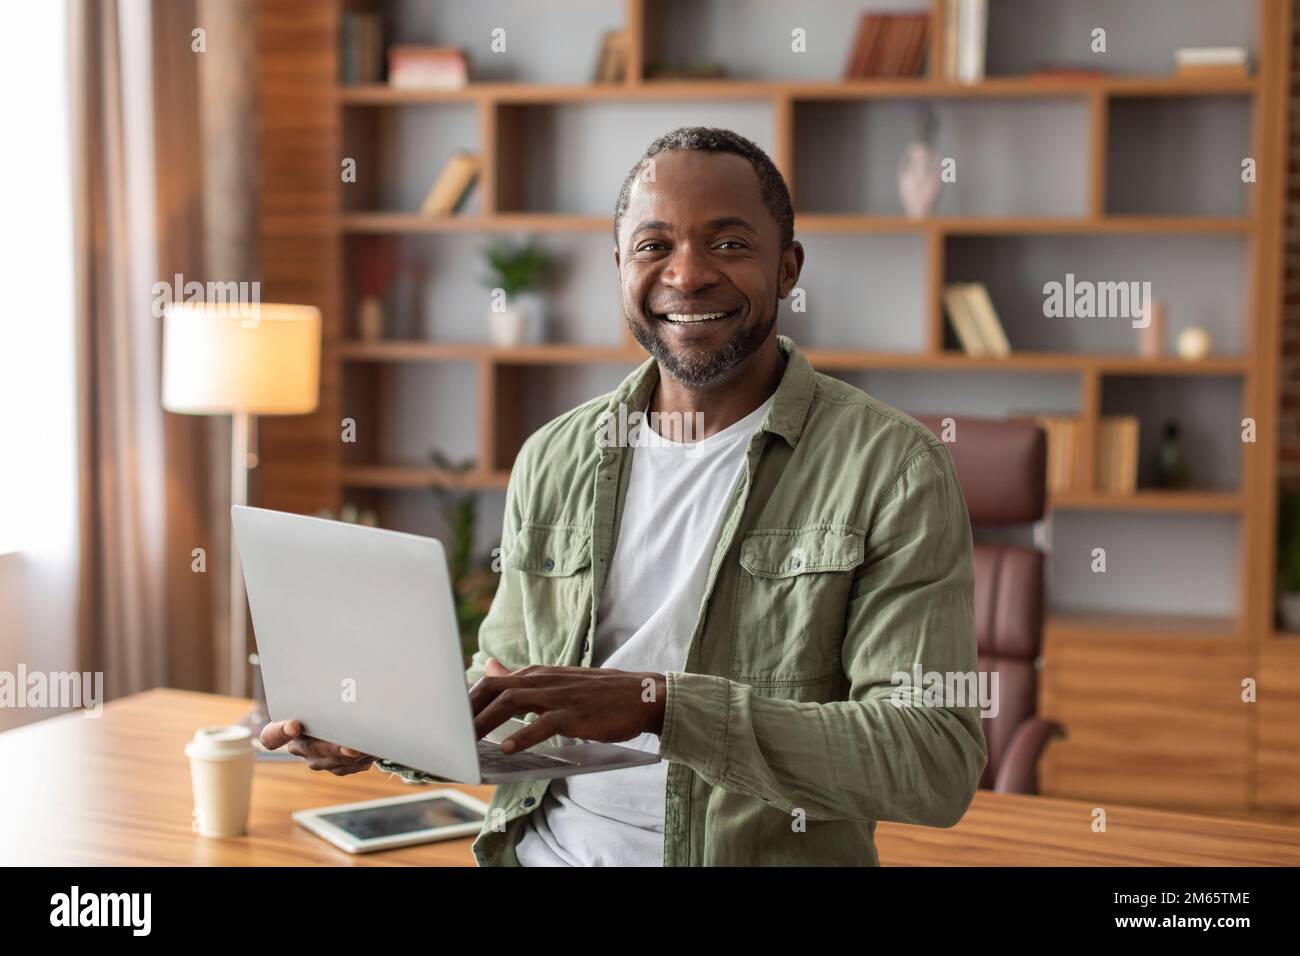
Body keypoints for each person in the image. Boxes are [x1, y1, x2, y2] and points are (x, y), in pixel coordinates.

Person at [262, 126, 987, 866]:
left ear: (788, 268)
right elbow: (509, 690)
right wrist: (383, 728)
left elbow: (932, 759)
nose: (688, 275)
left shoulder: (893, 469)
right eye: (653, 246)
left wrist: (661, 705)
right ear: (619, 268)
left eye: (730, 244)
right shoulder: (554, 457)